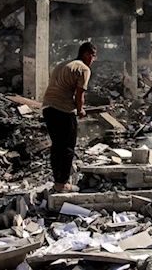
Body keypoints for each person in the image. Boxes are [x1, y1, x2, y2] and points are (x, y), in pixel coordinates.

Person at [42, 42, 97, 192]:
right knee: (68, 147)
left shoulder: (63, 64)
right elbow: (80, 96)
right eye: (93, 56)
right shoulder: (84, 69)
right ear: (86, 54)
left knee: (57, 146)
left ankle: (57, 181)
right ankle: (63, 183)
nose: (93, 59)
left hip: (48, 107)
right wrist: (80, 110)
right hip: (63, 110)